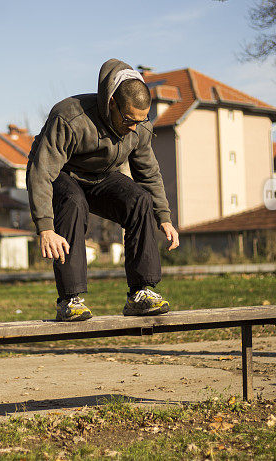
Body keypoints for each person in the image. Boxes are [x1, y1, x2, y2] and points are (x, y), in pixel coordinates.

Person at [26, 58, 179, 321]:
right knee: (74, 201)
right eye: (129, 119)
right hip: (62, 173)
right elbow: (41, 171)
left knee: (139, 200)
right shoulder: (70, 117)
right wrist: (45, 227)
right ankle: (69, 300)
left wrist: (163, 217)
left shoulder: (139, 126)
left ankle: (140, 293)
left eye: (140, 121)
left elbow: (148, 172)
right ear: (111, 104)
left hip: (102, 177)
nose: (134, 127)